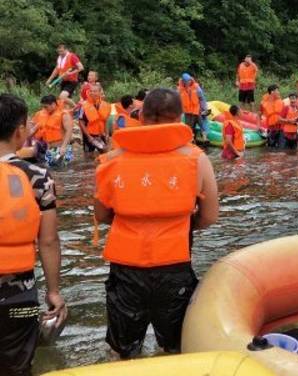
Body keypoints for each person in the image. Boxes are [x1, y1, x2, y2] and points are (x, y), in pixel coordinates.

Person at [94, 88, 219, 359]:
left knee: (122, 352)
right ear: (180, 117)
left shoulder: (113, 159)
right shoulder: (196, 159)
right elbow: (210, 216)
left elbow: (101, 215)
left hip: (126, 271)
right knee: (175, 349)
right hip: (174, 266)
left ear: (141, 116)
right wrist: (183, 223)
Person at [0, 93, 67, 375]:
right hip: (19, 297)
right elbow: (48, 241)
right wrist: (54, 291)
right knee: (17, 367)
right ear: (20, 132)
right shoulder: (38, 177)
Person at [32, 94, 74, 165]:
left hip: (62, 148)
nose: (44, 109)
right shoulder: (45, 115)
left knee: (65, 169)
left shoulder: (64, 114)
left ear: (53, 104)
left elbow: (69, 131)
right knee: (51, 169)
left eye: (46, 107)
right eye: (43, 107)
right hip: (50, 149)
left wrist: (63, 147)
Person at [79, 83, 111, 155]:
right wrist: (89, 137)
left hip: (102, 134)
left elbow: (105, 121)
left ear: (100, 92)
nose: (92, 93)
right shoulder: (83, 106)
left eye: (95, 91)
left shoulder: (106, 105)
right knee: (88, 155)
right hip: (89, 134)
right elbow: (81, 122)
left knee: (105, 153)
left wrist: (107, 134)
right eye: (91, 91)